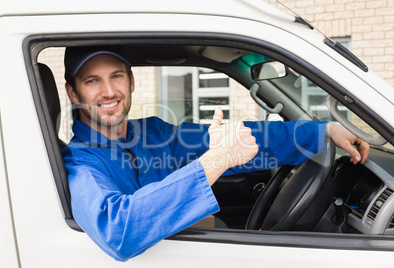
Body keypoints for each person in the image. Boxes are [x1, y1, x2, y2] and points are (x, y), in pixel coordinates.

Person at [61, 46, 369, 262]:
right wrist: (217, 159)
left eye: (116, 76)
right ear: (73, 92)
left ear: (131, 81)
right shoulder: (80, 162)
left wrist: (320, 133)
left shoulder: (154, 133)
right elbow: (119, 230)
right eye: (92, 81)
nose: (108, 91)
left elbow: (242, 138)